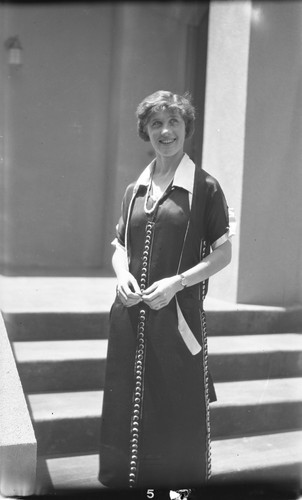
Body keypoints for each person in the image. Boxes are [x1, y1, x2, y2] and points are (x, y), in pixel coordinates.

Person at [99, 90, 234, 493]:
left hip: (178, 321)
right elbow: (120, 248)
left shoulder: (206, 188)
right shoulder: (133, 191)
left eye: (173, 122)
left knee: (174, 408)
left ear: (186, 128)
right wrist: (121, 273)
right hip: (129, 317)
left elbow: (224, 254)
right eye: (156, 123)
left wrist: (179, 282)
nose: (165, 131)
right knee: (128, 406)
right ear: (146, 131)